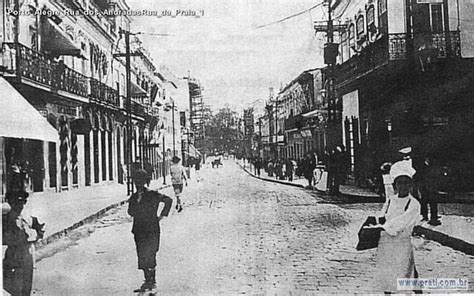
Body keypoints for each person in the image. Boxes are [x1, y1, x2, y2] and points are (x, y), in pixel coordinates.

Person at [367, 160, 421, 294]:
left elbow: (404, 220)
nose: (403, 186)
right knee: (387, 273)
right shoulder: (391, 199)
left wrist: (385, 227)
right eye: (399, 183)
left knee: (407, 271)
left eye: (406, 183)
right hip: (387, 243)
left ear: (410, 185)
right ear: (395, 185)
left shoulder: (413, 203)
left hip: (402, 242)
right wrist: (375, 221)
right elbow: (384, 214)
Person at [128, 169, 172, 293]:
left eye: (141, 182)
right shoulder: (134, 197)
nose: (138, 185)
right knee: (141, 254)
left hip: (152, 229)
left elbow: (168, 201)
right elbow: (130, 212)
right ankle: (147, 280)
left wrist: (161, 216)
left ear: (146, 182)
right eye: (136, 182)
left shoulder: (153, 194)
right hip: (138, 229)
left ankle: (152, 281)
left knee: (151, 253)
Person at [3, 189, 45, 296]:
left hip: (28, 255)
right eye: (16, 201)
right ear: (10, 202)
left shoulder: (29, 218)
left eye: (23, 202)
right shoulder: (6, 220)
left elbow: (41, 230)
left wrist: (37, 234)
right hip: (14, 255)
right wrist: (18, 238)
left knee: (27, 286)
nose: (20, 205)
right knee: (14, 287)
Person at [415, 157, 441, 226]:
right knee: (424, 202)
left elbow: (436, 177)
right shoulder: (421, 167)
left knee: (433, 203)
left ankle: (433, 218)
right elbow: (418, 177)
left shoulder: (433, 167)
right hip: (424, 188)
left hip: (431, 188)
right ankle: (425, 216)